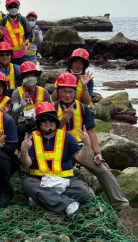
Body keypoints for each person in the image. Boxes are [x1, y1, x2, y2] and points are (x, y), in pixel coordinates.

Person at [54, 73, 130, 213]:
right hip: (57, 149)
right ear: (58, 91)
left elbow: (92, 133)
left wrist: (97, 153)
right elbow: (48, 132)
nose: (67, 95)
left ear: (75, 92)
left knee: (102, 169)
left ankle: (120, 204)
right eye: (64, 91)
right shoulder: (52, 108)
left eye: (71, 91)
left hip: (79, 148)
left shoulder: (83, 108)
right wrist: (64, 119)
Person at [19, 103, 90, 220]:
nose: (48, 122)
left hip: (65, 179)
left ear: (56, 121)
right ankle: (68, 205)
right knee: (27, 184)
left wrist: (87, 144)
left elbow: (82, 159)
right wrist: (24, 151)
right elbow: (26, 164)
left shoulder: (67, 137)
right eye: (43, 120)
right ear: (38, 123)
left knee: (82, 191)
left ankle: (41, 199)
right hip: (39, 180)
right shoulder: (32, 138)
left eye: (51, 119)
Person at [0, 0, 32, 66]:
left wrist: (26, 42)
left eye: (15, 6)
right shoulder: (3, 20)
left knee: (20, 71)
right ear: (7, 8)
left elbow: (29, 34)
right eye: (10, 6)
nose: (13, 8)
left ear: (18, 7)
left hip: (21, 55)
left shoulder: (22, 20)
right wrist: (1, 34)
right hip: (7, 55)